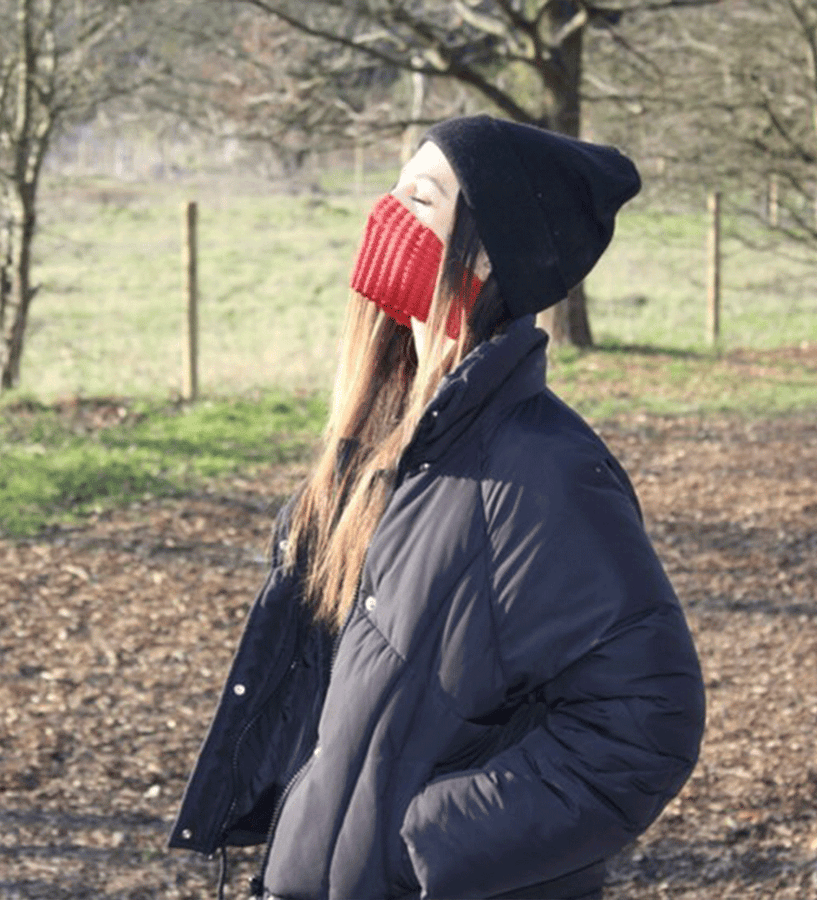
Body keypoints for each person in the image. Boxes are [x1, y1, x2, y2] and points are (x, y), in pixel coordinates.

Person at [168, 114, 705, 900]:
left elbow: (646, 725)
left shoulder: (543, 472)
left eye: (418, 198)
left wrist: (419, 844)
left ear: (487, 255)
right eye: (391, 190)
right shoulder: (382, 442)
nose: (385, 215)